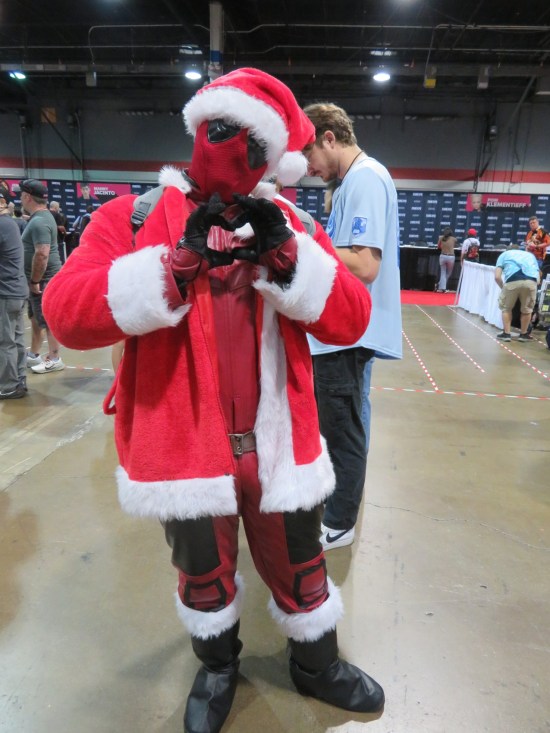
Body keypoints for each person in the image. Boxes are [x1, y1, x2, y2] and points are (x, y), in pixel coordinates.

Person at [42, 68, 385, 732]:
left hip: (279, 443)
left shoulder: (287, 222)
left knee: (304, 567)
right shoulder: (135, 217)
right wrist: (165, 270)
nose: (230, 147)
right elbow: (64, 312)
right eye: (221, 130)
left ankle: (316, 664)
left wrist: (290, 261)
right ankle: (219, 664)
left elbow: (351, 317)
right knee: (203, 573)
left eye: (250, 139)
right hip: (184, 448)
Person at [302, 102, 402, 551]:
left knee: (342, 427)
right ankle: (338, 507)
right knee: (339, 423)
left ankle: (339, 522)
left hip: (348, 332)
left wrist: (302, 243)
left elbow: (363, 264)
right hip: (340, 331)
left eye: (309, 157)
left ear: (328, 137)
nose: (308, 169)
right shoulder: (351, 184)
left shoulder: (365, 178)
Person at [18, 179, 65, 373]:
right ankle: (35, 354)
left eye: (21, 195)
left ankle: (54, 358)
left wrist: (35, 281)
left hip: (43, 280)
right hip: (38, 280)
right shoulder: (41, 218)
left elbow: (42, 253)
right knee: (35, 317)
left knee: (47, 318)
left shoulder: (39, 222)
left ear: (27, 197)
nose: (20, 198)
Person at [0, 200, 28, 399]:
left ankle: (8, 386)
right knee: (16, 339)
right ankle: (19, 380)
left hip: (6, 291)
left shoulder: (2, 224)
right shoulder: (10, 223)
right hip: (17, 289)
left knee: (5, 342)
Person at [494, 243, 540, 342]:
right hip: (531, 281)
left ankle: (506, 334)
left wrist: (503, 288)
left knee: (506, 308)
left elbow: (497, 277)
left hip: (512, 281)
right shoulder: (530, 255)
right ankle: (523, 335)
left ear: (507, 250)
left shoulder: (504, 255)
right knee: (527, 309)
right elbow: (538, 277)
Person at [435, 226, 457, 292]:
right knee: (448, 273)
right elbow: (454, 246)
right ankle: (442, 288)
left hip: (442, 256)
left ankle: (440, 286)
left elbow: (438, 246)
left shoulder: (440, 238)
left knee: (443, 273)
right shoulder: (454, 239)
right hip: (450, 257)